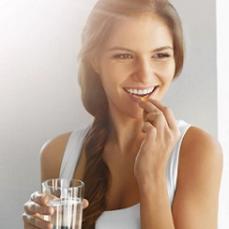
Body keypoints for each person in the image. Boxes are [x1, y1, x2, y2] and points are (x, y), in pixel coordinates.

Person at [22, 0, 223, 228]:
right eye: (124, 56)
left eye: (160, 55)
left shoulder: (197, 151)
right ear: (95, 60)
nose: (145, 74)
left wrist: (151, 178)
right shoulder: (58, 154)